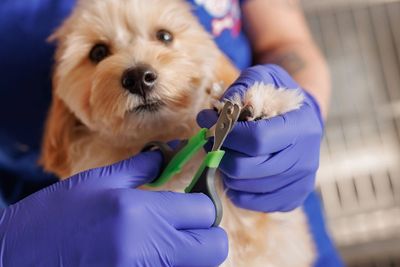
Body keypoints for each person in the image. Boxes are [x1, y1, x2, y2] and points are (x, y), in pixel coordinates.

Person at [0, 0, 343, 266]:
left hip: (270, 189)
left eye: (163, 36)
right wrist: (8, 249)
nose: (138, 70)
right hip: (76, 239)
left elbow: (286, 39)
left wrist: (300, 108)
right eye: (99, 52)